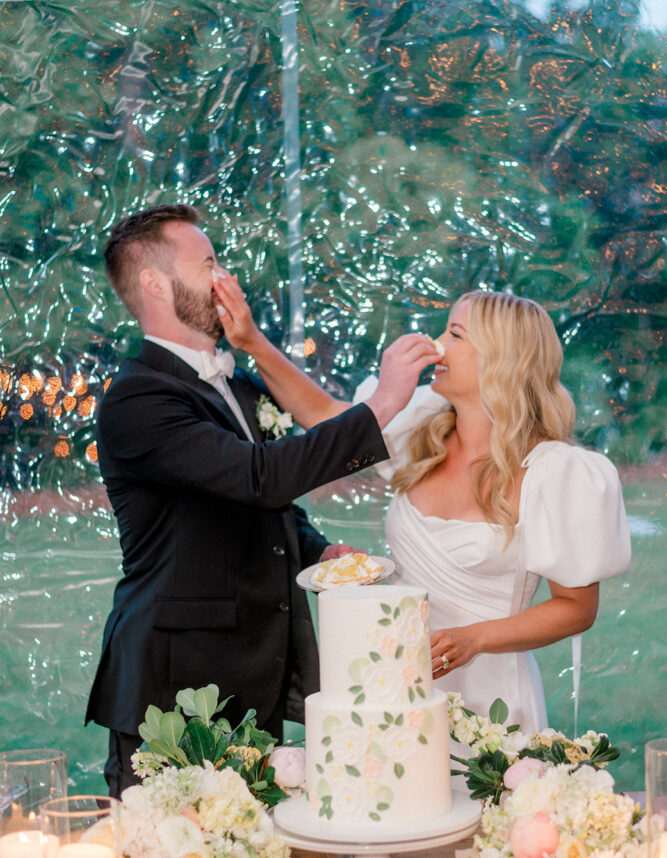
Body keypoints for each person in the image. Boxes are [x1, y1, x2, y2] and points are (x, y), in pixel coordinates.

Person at [86, 203, 437, 797]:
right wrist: (381, 407)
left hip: (255, 677)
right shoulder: (138, 399)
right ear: (153, 283)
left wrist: (319, 553)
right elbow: (260, 477)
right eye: (209, 265)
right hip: (176, 694)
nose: (228, 281)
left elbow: (265, 508)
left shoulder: (238, 388)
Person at [213, 283, 631, 734]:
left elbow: (575, 608)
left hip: (489, 702)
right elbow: (325, 416)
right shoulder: (420, 429)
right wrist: (251, 340)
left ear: (502, 357)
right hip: (395, 686)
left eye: (454, 334)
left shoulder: (554, 472)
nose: (437, 345)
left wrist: (475, 639)